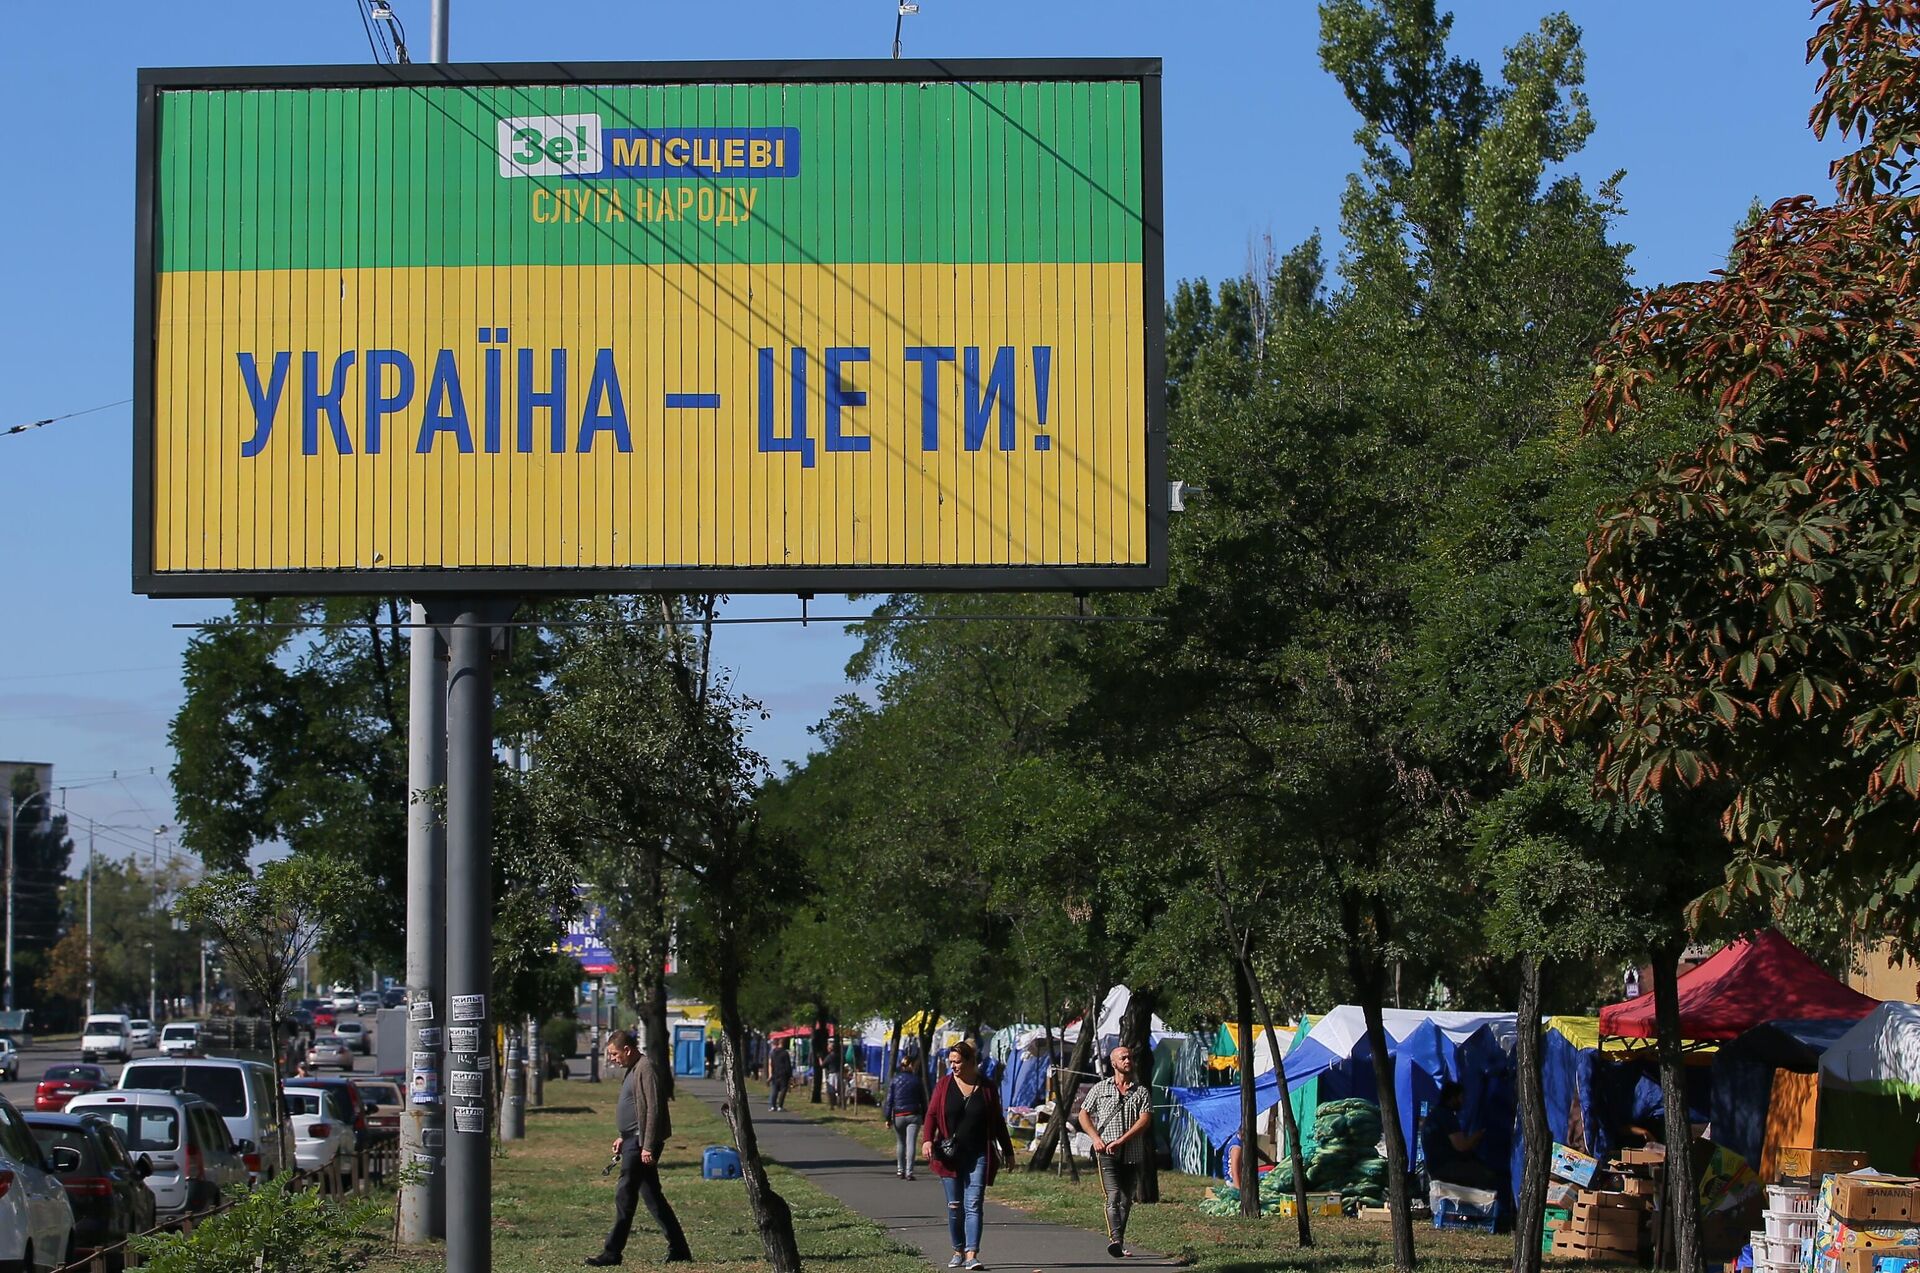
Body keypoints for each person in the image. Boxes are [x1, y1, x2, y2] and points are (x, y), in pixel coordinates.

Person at [585, 1030, 690, 1267]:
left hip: (642, 1143)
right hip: (634, 1140)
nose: (612, 1059)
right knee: (653, 1197)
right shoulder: (633, 1069)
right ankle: (680, 1248)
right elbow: (637, 1110)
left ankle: (612, 1253)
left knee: (625, 1194)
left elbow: (654, 1109)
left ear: (627, 1050)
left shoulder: (645, 1068)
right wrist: (624, 1137)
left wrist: (647, 1146)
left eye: (614, 1054)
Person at [923, 1042, 1016, 1271]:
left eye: (957, 1062)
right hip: (949, 1155)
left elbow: (997, 1122)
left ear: (971, 1062)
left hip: (978, 1154)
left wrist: (1008, 1150)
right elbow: (932, 1114)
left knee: (973, 1203)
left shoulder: (987, 1088)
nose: (953, 1066)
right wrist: (927, 1139)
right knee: (955, 1205)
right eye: (951, 1061)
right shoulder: (943, 1085)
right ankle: (958, 1250)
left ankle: (972, 1254)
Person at [1078, 1045, 1153, 1259]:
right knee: (1114, 1195)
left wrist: (1122, 1140)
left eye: (1129, 1057)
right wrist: (1095, 1138)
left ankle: (1119, 1239)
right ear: (1114, 1064)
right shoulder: (1101, 1089)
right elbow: (1084, 1114)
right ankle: (1116, 1240)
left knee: (1126, 1199)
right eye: (1123, 1058)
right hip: (1106, 1153)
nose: (1128, 1061)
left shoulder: (1141, 1091)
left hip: (1132, 1152)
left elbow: (1145, 1120)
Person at [1420, 1081, 1495, 1191]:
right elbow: (1461, 1146)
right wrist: (1480, 1134)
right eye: (1460, 1097)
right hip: (1445, 1167)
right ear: (1452, 1098)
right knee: (1487, 1176)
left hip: (1434, 1167)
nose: (1462, 1101)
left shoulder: (1435, 1114)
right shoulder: (1447, 1116)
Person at [884, 1053, 928, 1181]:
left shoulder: (895, 1080)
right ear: (910, 1066)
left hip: (898, 1115)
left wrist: (887, 1117)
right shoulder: (917, 1080)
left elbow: (889, 1100)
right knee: (911, 1143)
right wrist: (925, 1116)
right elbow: (923, 1100)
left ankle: (900, 1170)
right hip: (914, 1114)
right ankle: (909, 1172)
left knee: (900, 1143)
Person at [768, 1040, 793, 1112]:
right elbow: (788, 1065)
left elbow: (771, 1064)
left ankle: (772, 1106)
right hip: (783, 1073)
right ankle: (780, 1106)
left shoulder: (773, 1052)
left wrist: (771, 1074)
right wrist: (790, 1075)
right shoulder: (785, 1053)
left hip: (775, 1073)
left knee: (774, 1089)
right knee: (783, 1089)